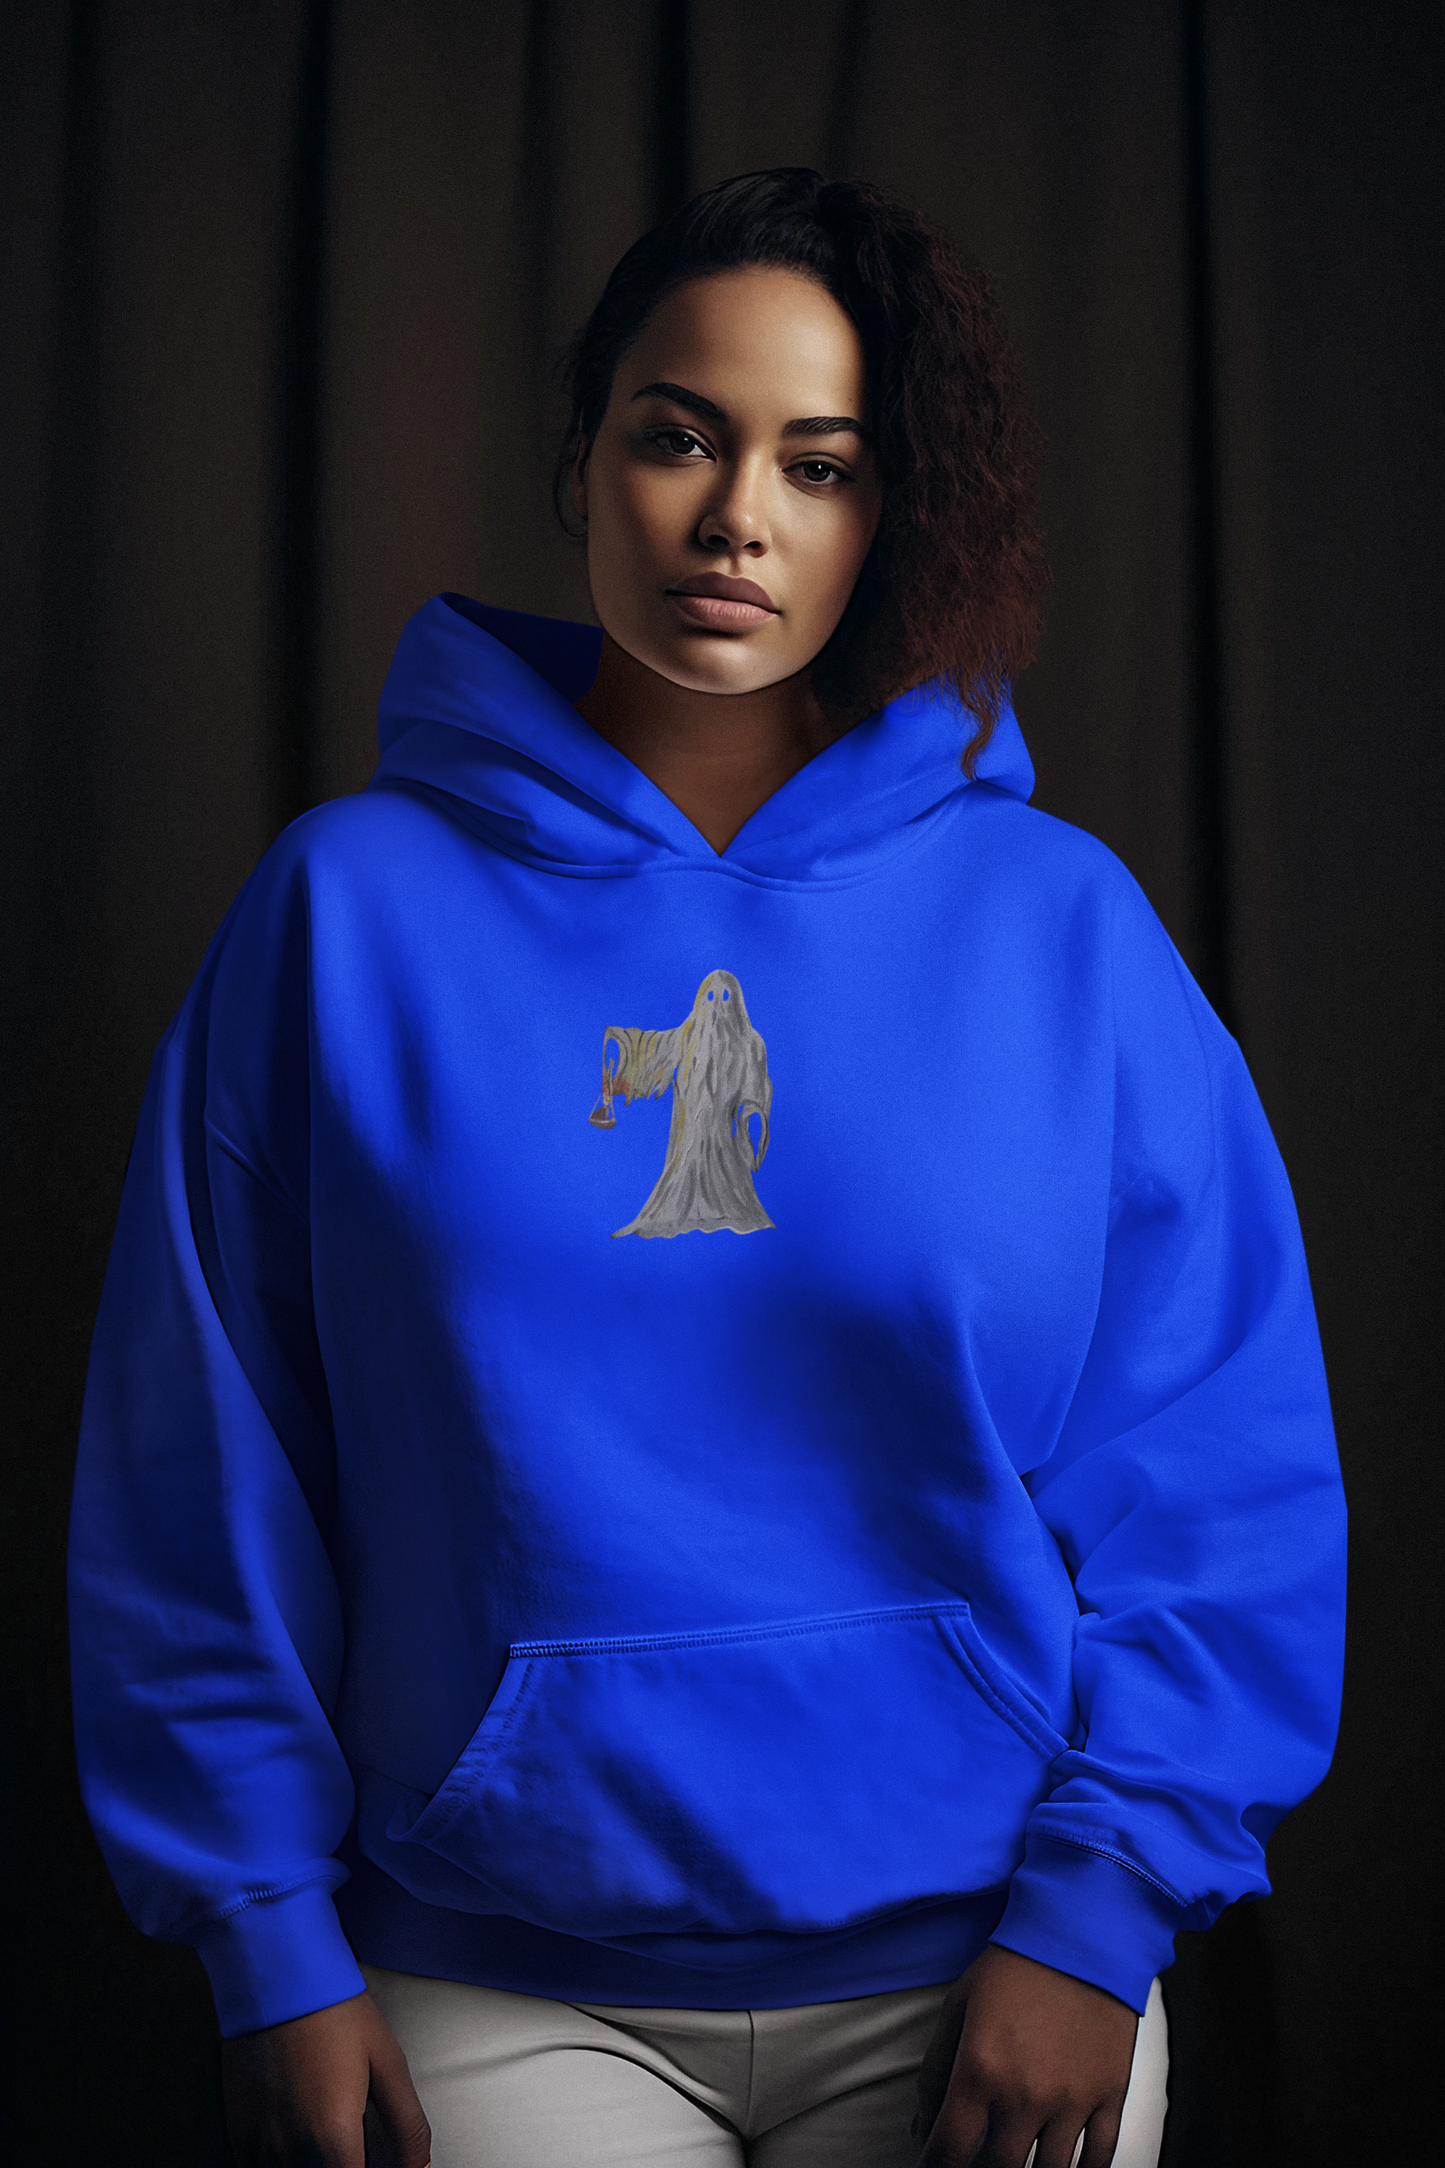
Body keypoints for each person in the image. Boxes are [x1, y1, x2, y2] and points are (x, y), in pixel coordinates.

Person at [68, 169, 1345, 2168]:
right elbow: (201, 1465)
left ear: (886, 514)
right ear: (582, 455)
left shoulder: (1061, 928)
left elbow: (1218, 1459)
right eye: (679, 435)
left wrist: (1100, 1917)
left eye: (818, 466)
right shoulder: (342, 917)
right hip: (487, 1978)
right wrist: (270, 1942)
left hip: (983, 1968)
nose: (737, 516)